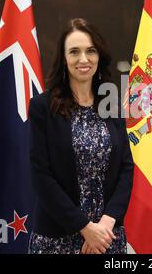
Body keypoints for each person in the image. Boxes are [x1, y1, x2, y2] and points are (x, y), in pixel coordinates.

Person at [28, 18, 133, 254]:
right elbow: (41, 176)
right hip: (57, 239)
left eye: (90, 51)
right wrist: (85, 228)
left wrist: (107, 223)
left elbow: (126, 168)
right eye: (74, 52)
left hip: (108, 237)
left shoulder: (112, 104)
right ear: (64, 59)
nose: (83, 59)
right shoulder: (42, 107)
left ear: (99, 57)